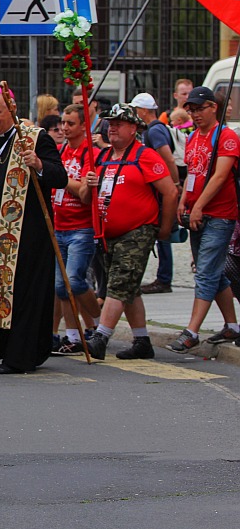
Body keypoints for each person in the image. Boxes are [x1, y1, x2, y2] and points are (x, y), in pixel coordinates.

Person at [0, 86, 68, 374]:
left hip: (26, 236)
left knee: (22, 294)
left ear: (12, 109)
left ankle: (20, 356)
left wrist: (38, 164)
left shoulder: (35, 138)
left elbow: (60, 177)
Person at [82, 104, 177, 360]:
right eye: (110, 123)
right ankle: (142, 340)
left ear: (134, 128)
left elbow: (170, 192)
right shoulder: (101, 158)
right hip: (106, 233)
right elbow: (83, 194)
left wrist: (164, 229)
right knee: (129, 288)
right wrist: (87, 184)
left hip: (137, 231)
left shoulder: (145, 155)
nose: (112, 127)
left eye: (119, 123)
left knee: (119, 283)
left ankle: (100, 337)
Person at [167, 86, 240, 352]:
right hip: (197, 212)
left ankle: (191, 331)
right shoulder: (194, 137)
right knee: (214, 271)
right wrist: (185, 200)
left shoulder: (227, 136)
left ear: (213, 108)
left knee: (206, 273)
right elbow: (192, 173)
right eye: (191, 110)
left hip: (220, 214)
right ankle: (232, 325)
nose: (195, 114)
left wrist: (198, 206)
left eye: (199, 109)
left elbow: (221, 175)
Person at [50, 104, 101, 355]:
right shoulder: (60, 151)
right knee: (60, 287)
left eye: (70, 123)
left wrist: (62, 179)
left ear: (84, 125)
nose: (65, 128)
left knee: (74, 281)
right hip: (59, 225)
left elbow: (84, 195)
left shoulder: (88, 153)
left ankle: (98, 321)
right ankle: (73, 334)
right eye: (63, 123)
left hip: (81, 228)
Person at [130, 93, 182, 295]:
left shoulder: (154, 131)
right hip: (162, 187)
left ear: (143, 111)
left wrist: (175, 184)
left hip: (163, 189)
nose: (134, 115)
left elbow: (167, 158)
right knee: (162, 233)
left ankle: (164, 278)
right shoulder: (154, 129)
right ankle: (163, 277)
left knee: (163, 232)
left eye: (135, 111)